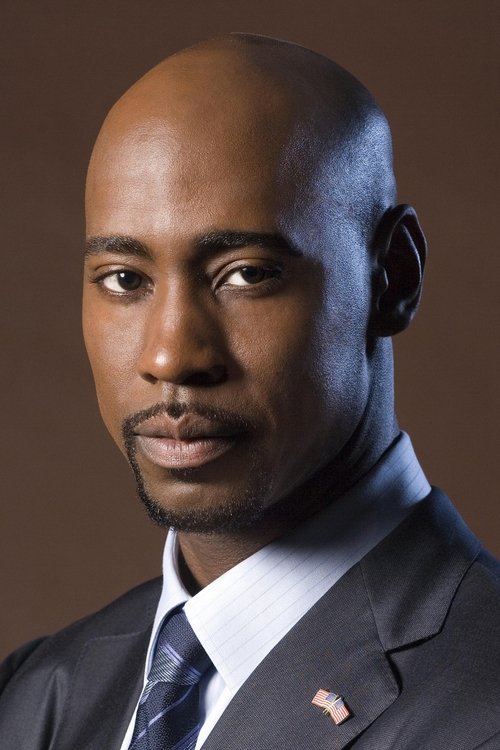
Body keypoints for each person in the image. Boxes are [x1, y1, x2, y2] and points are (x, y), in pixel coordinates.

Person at [0, 32, 499, 750]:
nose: (170, 356)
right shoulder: (36, 695)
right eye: (125, 279)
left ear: (393, 277)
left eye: (246, 274)